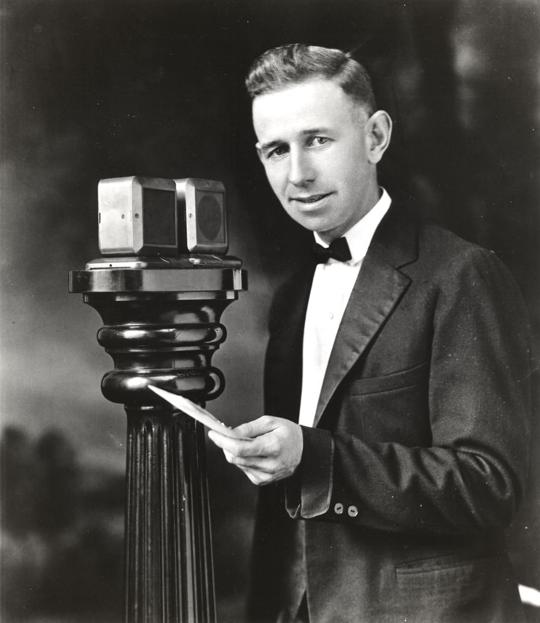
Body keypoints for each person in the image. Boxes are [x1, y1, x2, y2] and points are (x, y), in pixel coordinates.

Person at [208, 44, 531, 623]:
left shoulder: (460, 274)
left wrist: (314, 458)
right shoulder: (294, 295)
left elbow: (491, 484)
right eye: (276, 150)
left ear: (377, 137)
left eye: (319, 140)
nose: (298, 173)